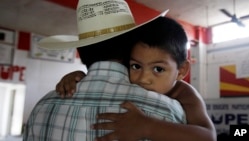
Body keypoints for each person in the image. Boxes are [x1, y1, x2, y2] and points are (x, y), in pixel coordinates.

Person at [23, 0, 188, 141]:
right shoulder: (169, 112)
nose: (145, 78)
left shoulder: (42, 107)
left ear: (80, 53)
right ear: (133, 48)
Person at [56, 14, 216, 141]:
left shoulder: (185, 94)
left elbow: (208, 136)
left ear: (181, 70)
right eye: (136, 66)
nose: (143, 78)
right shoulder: (129, 78)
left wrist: (147, 127)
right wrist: (80, 77)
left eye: (158, 69)